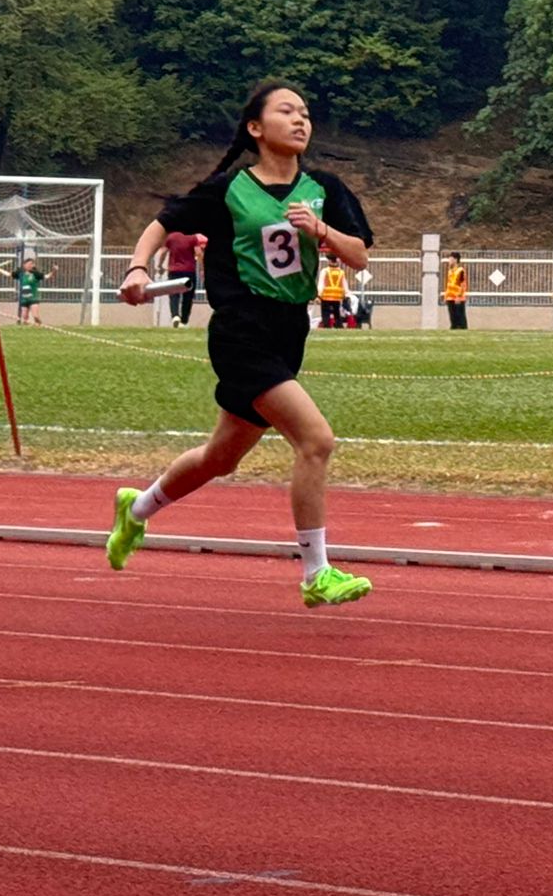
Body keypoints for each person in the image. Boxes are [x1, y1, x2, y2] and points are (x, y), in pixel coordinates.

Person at [107, 80, 376, 609]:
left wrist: (321, 230)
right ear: (255, 128)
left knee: (220, 457)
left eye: (305, 113)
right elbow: (162, 223)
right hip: (240, 329)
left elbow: (359, 255)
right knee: (316, 440)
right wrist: (138, 268)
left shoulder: (324, 188)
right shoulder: (229, 189)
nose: (300, 120)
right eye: (287, 111)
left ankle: (136, 509)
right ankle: (316, 573)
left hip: (289, 330)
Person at [163, 229, 203, 327]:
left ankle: (175, 315)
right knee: (188, 296)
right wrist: (202, 268)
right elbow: (198, 253)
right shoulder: (192, 237)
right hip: (189, 271)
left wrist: (159, 265)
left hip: (174, 271)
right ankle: (184, 321)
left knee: (174, 295)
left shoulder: (171, 237)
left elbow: (163, 252)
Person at [6, 256, 47, 326]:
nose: (30, 265)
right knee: (24, 317)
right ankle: (27, 328)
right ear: (24, 265)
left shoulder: (35, 274)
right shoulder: (20, 273)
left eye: (31, 264)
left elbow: (47, 276)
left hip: (33, 298)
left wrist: (54, 271)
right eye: (28, 264)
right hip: (24, 298)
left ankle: (39, 325)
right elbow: (8, 274)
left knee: (35, 316)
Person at [318, 260, 348, 329]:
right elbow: (344, 284)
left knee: (325, 312)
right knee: (336, 312)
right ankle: (338, 325)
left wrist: (319, 294)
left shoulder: (325, 271)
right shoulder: (341, 272)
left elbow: (321, 283)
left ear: (329, 262)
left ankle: (326, 324)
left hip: (326, 296)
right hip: (337, 296)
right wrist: (346, 294)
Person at [443, 251, 469, 331]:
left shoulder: (460, 271)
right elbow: (448, 284)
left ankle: (463, 329)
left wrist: (459, 296)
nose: (449, 261)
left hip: (458, 298)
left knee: (460, 317)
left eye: (450, 259)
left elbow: (462, 284)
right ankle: (454, 328)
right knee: (453, 317)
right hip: (450, 297)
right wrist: (446, 296)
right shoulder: (450, 271)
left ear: (455, 260)